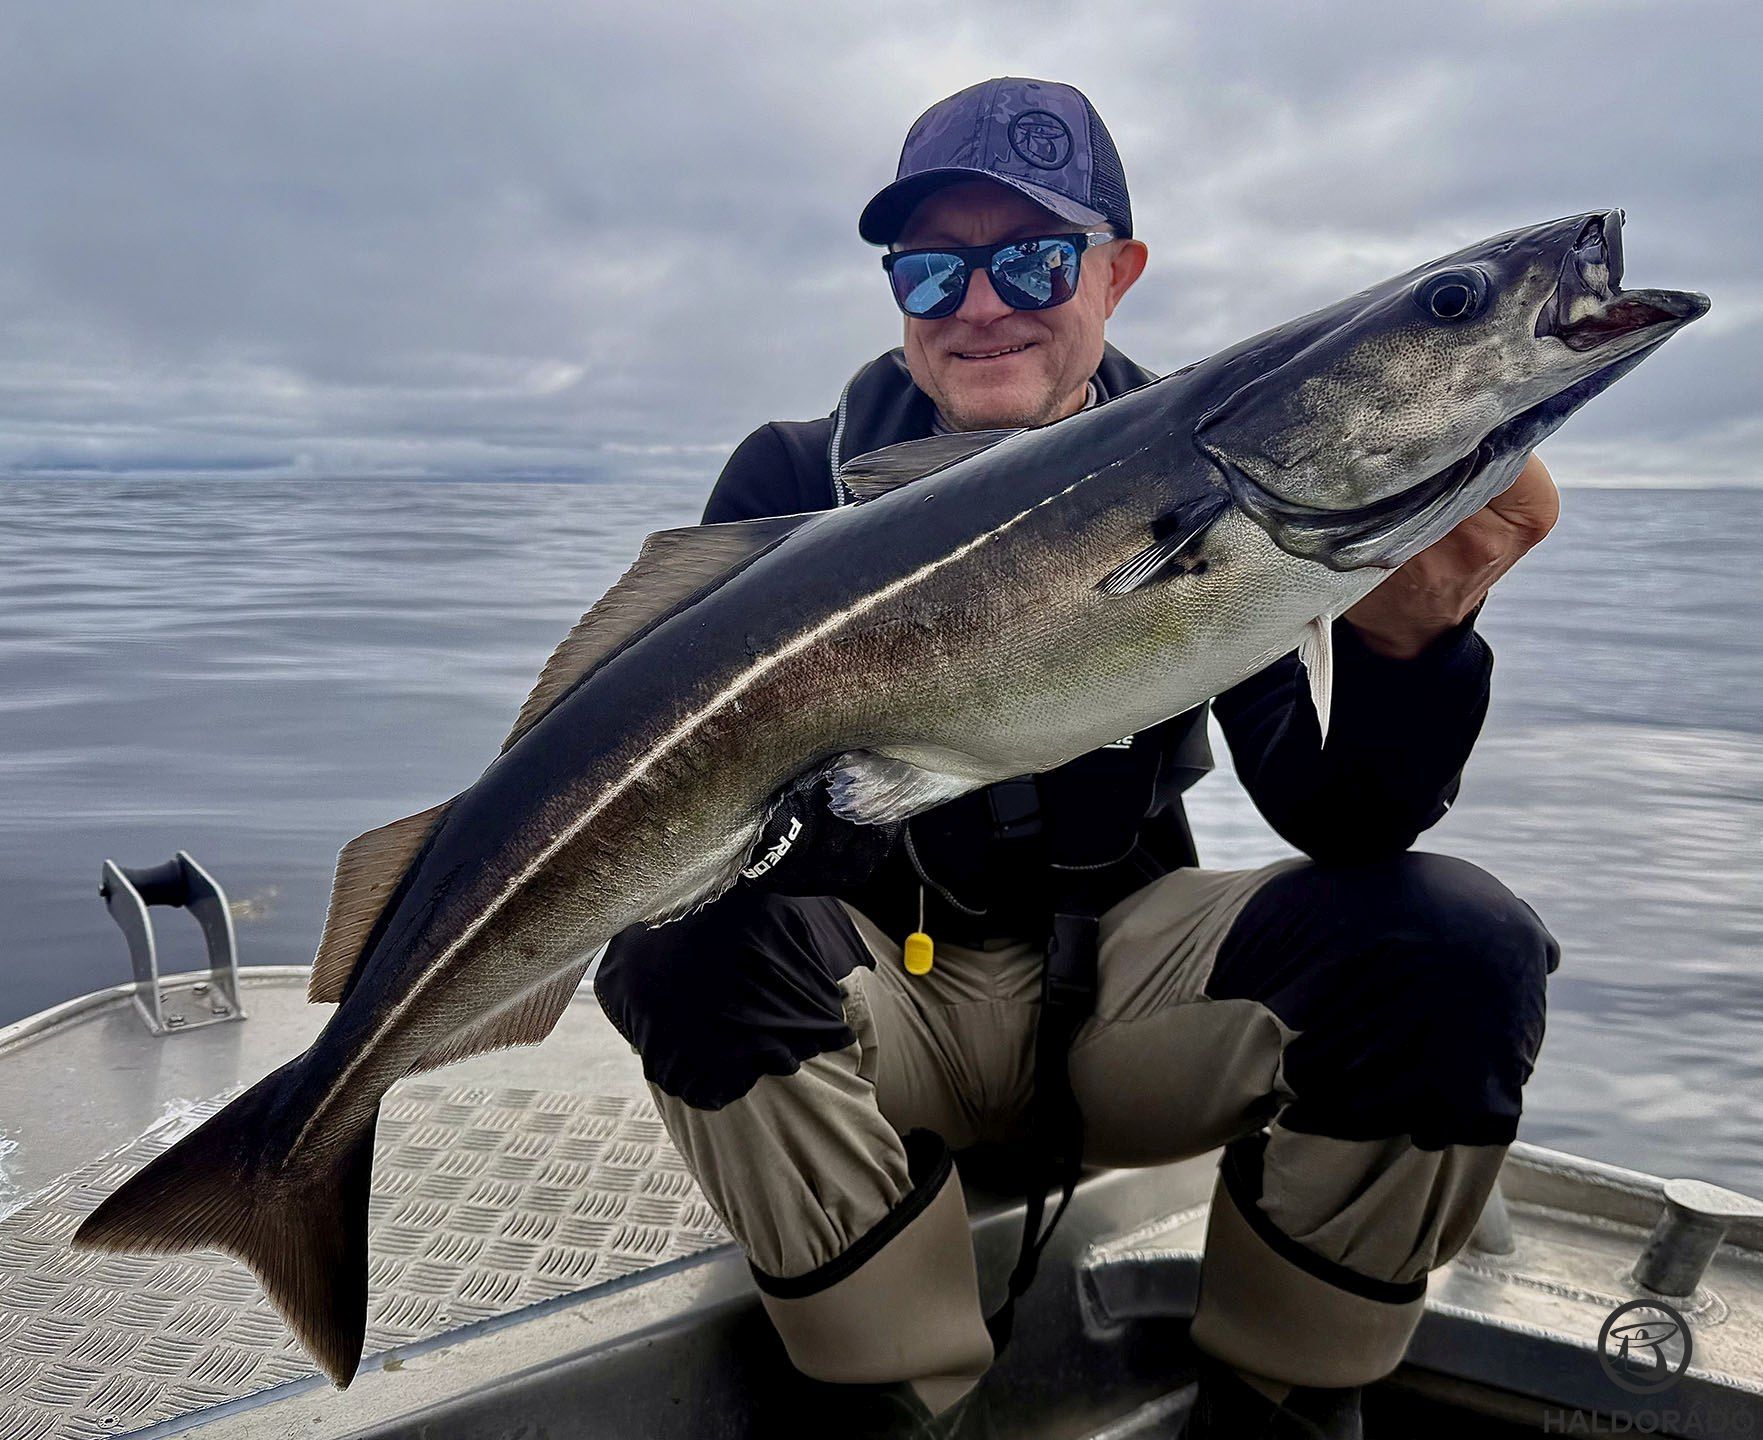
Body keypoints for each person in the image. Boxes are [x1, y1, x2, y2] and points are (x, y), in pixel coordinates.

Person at [597, 76, 1563, 1439]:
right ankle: (889, 1397)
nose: (981, 306)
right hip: (887, 1007)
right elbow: (715, 826)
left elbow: (1340, 818)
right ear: (898, 297)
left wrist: (1416, 645)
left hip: (1122, 994)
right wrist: (870, 746)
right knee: (674, 943)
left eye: (1036, 259)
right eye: (933, 273)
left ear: (1119, 273)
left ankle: (1281, 1403)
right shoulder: (794, 483)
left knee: (1455, 944)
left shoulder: (1225, 461)